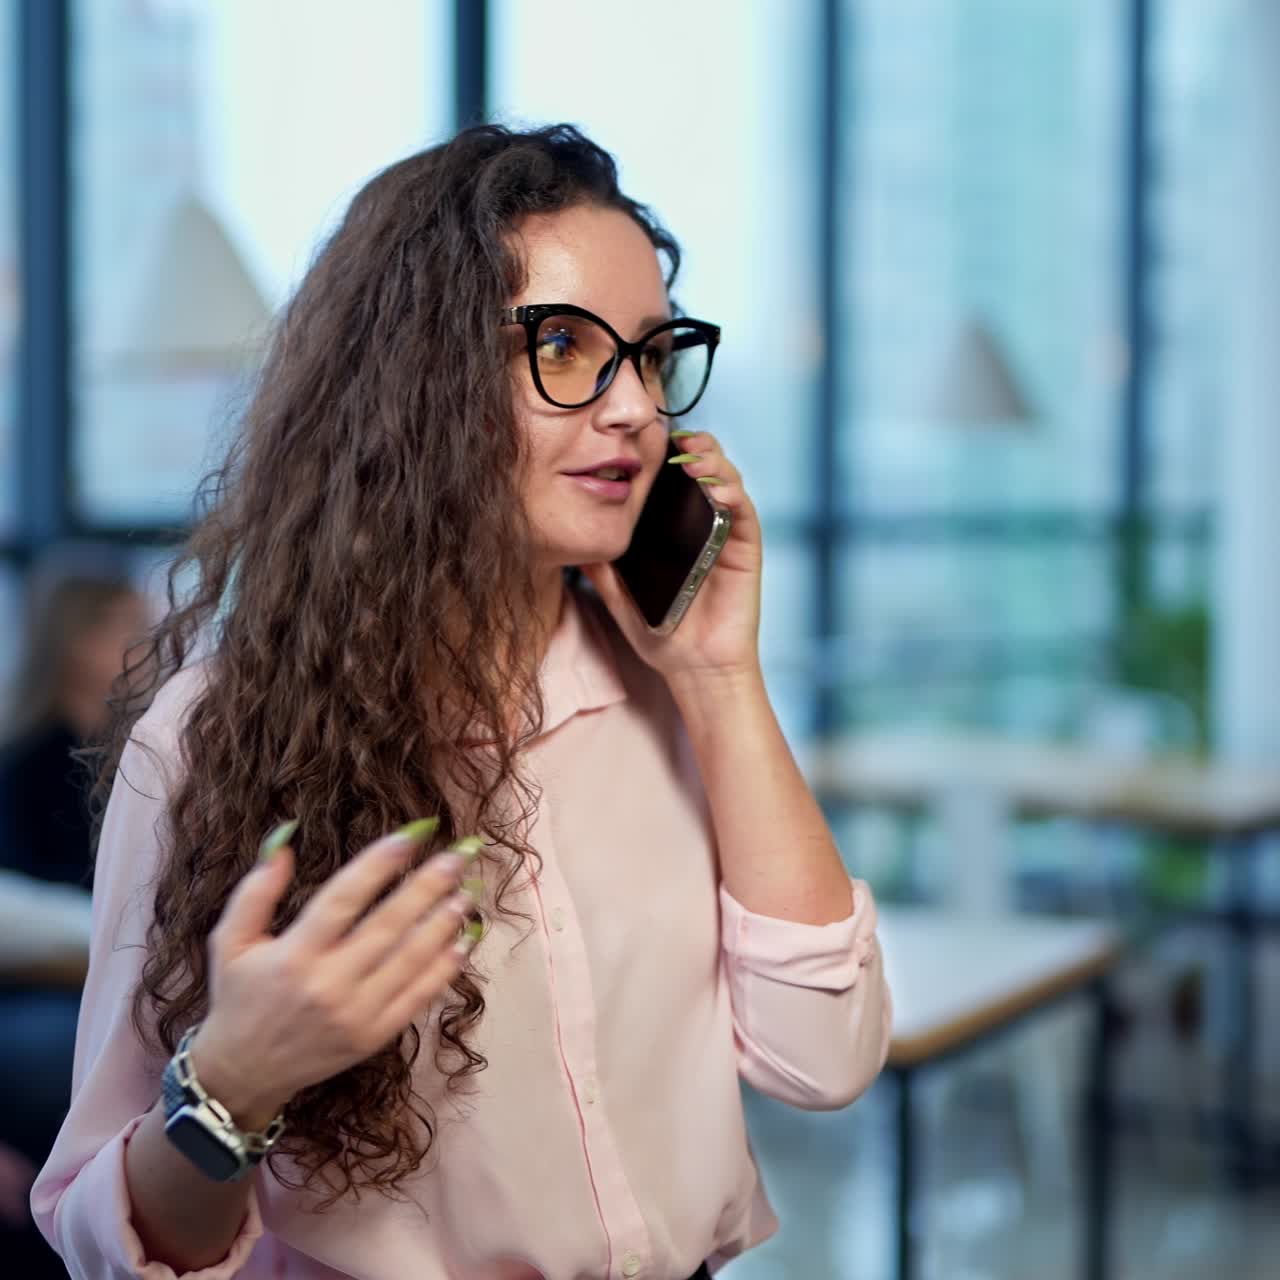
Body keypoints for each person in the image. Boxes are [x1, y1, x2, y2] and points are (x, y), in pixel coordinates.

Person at [32, 124, 891, 1280]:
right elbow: (108, 1238)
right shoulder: (209, 735)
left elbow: (826, 1053)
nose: (634, 406)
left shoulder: (668, 688)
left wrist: (720, 676)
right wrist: (231, 1083)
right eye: (566, 347)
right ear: (417, 379)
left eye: (648, 354)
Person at [0, 551, 149, 888]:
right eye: (129, 628)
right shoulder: (24, 766)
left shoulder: (141, 746)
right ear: (77, 641)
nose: (146, 645)